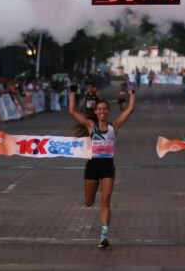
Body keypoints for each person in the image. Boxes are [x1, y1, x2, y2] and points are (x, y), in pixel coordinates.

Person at [68, 86, 136, 249]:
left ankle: (104, 236)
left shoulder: (115, 126)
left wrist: (132, 91)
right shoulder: (91, 126)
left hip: (107, 168)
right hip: (92, 166)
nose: (102, 111)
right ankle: (87, 198)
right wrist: (73, 91)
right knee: (90, 202)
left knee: (106, 201)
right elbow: (72, 111)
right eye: (99, 109)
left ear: (108, 111)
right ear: (96, 111)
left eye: (105, 109)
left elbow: (130, 109)